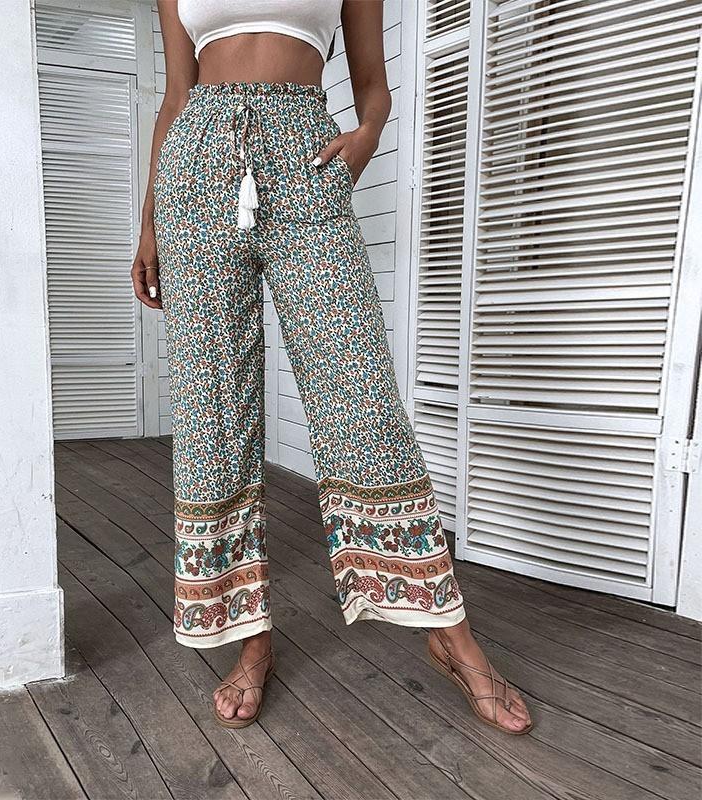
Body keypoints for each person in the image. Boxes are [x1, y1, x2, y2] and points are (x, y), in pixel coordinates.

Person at [131, 0, 533, 735]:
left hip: (305, 156)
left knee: (359, 393)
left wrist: (368, 135)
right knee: (212, 412)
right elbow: (177, 93)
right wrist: (150, 220)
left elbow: (374, 85)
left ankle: (448, 629)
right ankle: (252, 639)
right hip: (195, 170)